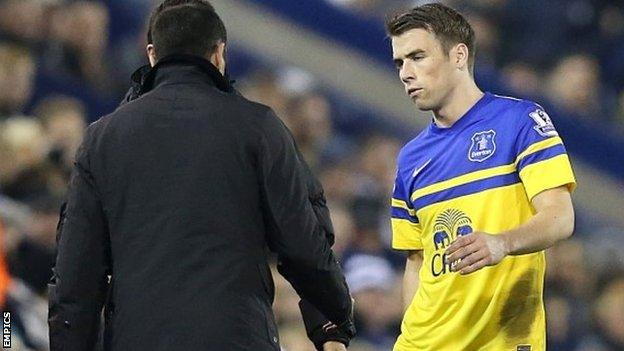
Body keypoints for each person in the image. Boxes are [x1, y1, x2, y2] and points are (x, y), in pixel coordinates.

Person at [48, 3, 355, 351]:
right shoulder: (259, 128)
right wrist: (332, 323)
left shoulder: (102, 137)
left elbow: (77, 272)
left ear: (152, 54)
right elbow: (304, 242)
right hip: (236, 337)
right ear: (219, 53)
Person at [386, 3, 576, 351]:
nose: (405, 73)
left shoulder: (520, 121)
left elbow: (560, 217)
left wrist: (502, 242)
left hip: (501, 341)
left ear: (458, 55)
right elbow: (417, 260)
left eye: (417, 57)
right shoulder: (410, 158)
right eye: (400, 62)